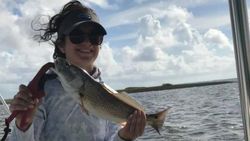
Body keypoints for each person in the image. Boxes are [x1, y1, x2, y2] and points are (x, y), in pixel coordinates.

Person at [8, 1, 146, 141]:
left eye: (94, 37)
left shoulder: (110, 95)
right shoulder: (41, 92)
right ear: (61, 45)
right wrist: (22, 125)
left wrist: (125, 137)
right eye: (77, 36)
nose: (87, 43)